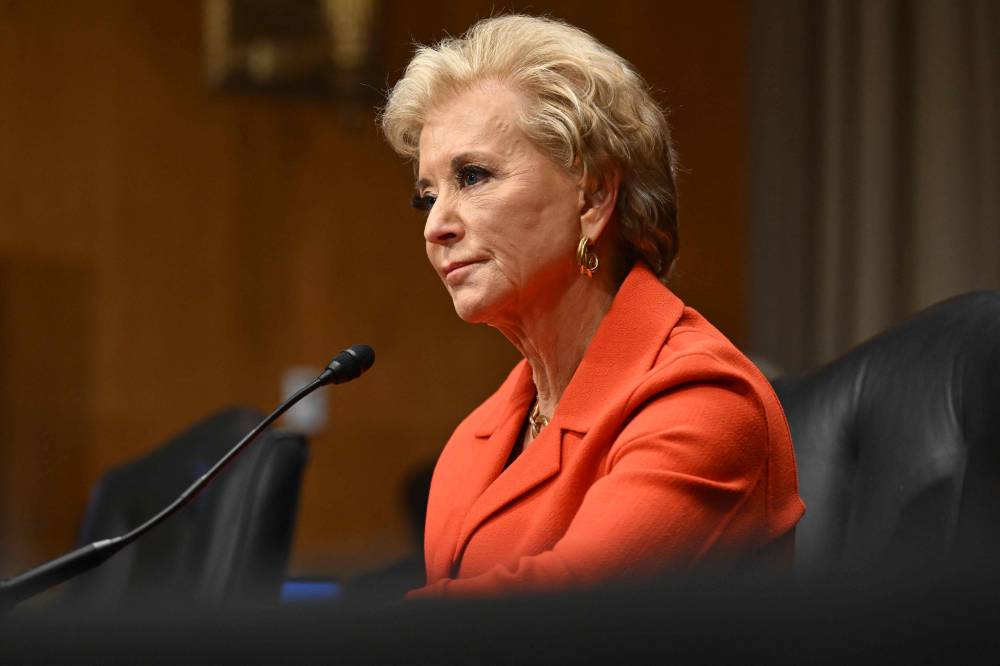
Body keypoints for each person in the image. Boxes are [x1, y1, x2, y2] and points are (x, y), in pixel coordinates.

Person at [379, 14, 804, 598]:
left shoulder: (703, 401)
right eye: (426, 196)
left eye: (473, 176)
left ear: (595, 195)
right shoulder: (475, 439)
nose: (436, 226)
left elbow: (563, 621)